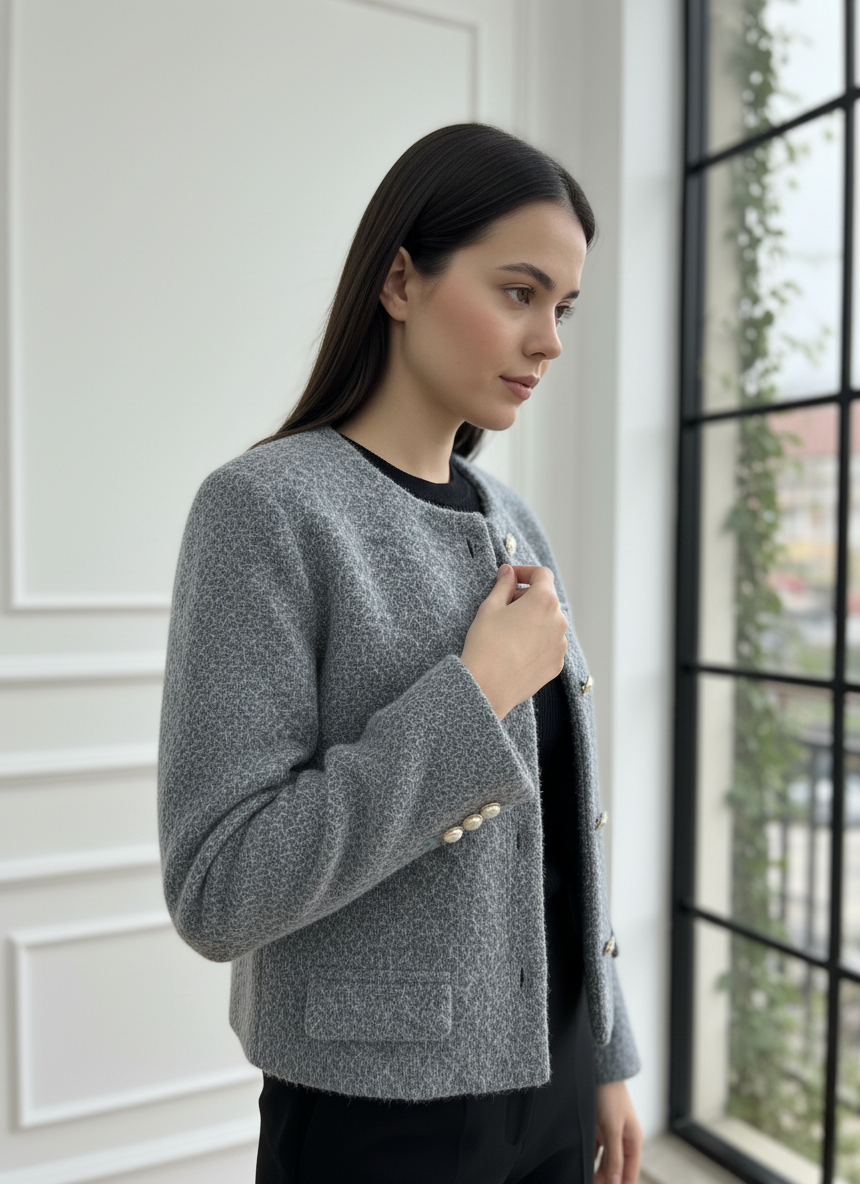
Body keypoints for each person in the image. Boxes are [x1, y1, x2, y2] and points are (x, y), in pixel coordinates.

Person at [158, 122, 642, 1184]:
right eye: (518, 293)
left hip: (556, 1077)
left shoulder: (514, 520)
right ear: (399, 281)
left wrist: (605, 1050)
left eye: (563, 307)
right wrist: (475, 696)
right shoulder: (265, 511)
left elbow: (564, 834)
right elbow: (218, 889)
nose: (550, 341)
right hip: (376, 1117)